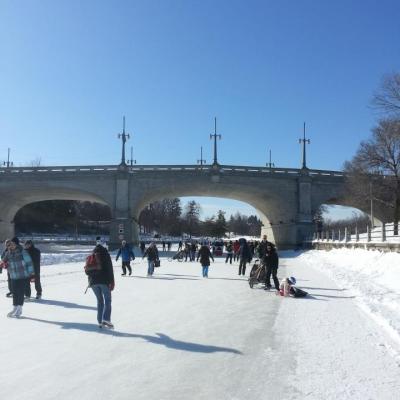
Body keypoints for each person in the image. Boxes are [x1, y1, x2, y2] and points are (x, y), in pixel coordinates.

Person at [1, 237, 34, 318]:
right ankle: (15, 307)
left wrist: (32, 275)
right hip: (13, 276)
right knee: (15, 292)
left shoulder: (22, 252)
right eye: (9, 245)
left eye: (12, 244)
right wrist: (4, 265)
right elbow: (3, 262)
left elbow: (29, 263)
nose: (10, 246)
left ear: (15, 244)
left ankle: (19, 308)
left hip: (23, 275)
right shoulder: (8, 253)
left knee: (20, 292)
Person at [86, 236, 115, 328]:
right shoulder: (105, 253)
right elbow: (109, 268)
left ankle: (100, 321)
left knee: (99, 301)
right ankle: (106, 318)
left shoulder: (92, 253)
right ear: (103, 244)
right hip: (103, 280)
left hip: (93, 282)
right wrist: (112, 281)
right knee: (108, 300)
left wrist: (90, 282)